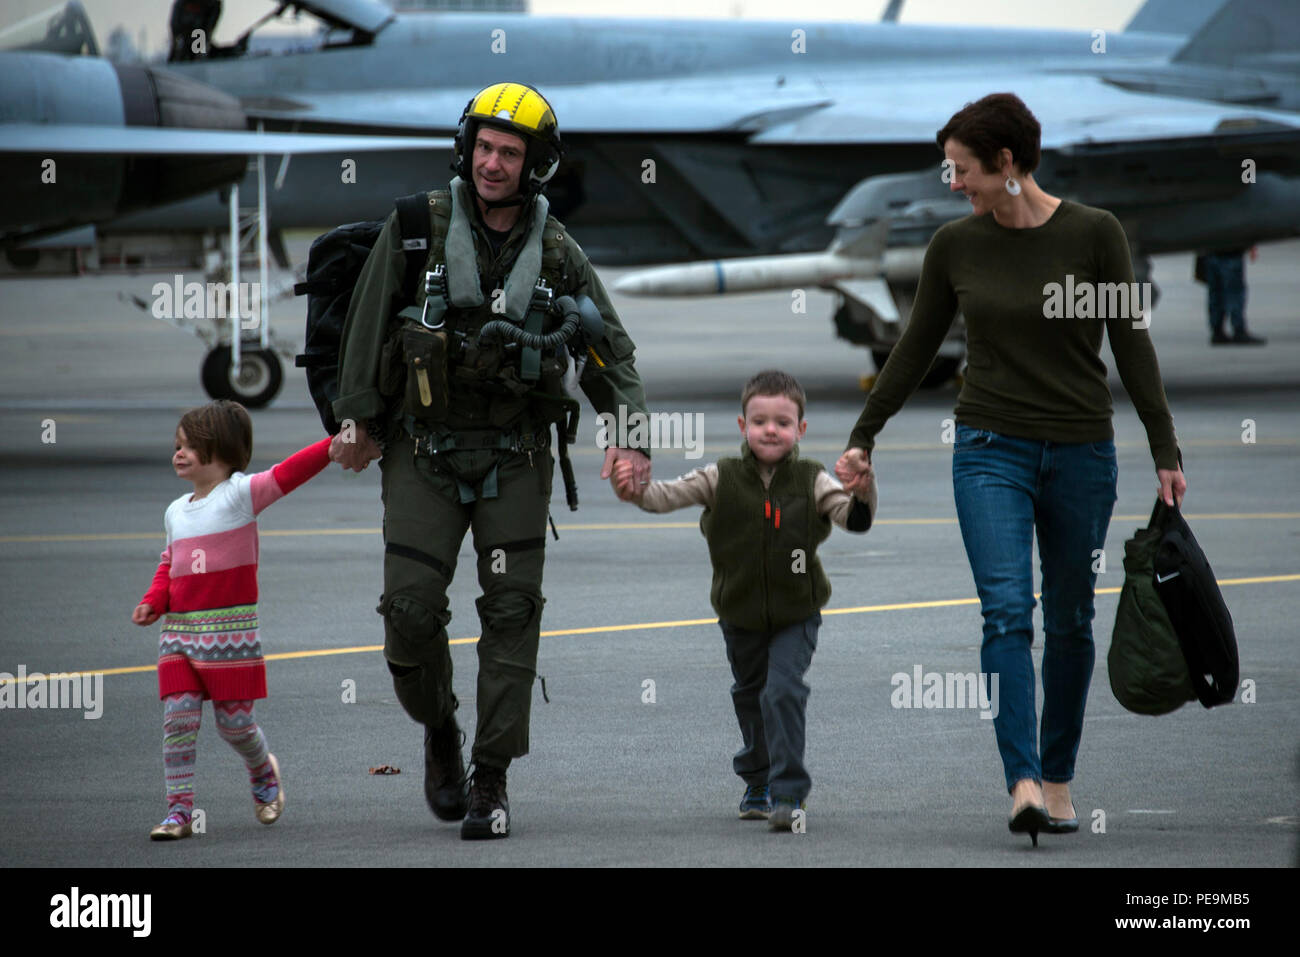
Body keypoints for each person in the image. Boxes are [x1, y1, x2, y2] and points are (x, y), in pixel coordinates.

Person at [835, 93, 1187, 847]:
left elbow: (1131, 343)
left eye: (961, 169)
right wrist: (866, 435)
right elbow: (915, 346)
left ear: (1006, 163)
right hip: (990, 449)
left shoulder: (1096, 234)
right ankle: (1021, 779)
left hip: (1082, 454)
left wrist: (1165, 451)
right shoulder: (954, 245)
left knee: (1069, 619)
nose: (950, 181)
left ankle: (1057, 777)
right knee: (1005, 612)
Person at [329, 82, 651, 840]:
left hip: (514, 457)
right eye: (485, 146)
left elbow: (611, 352)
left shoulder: (559, 252)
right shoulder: (415, 229)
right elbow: (367, 326)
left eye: (510, 152)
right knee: (408, 614)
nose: (493, 162)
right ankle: (441, 727)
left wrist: (629, 434)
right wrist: (354, 419)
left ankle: (491, 777)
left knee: (511, 615)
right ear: (466, 148)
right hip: (424, 453)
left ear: (535, 164)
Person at [614, 370, 876, 831]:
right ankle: (757, 779)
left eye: (782, 421)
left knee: (783, 691)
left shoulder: (813, 479)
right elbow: (664, 497)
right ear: (742, 427)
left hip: (797, 614)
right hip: (739, 616)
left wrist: (864, 487)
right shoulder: (720, 477)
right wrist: (633, 490)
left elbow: (856, 519)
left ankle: (788, 794)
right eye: (759, 421)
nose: (770, 430)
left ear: (801, 430)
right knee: (751, 697)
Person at [133, 400, 331, 840]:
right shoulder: (175, 511)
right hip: (180, 635)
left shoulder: (240, 495)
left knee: (235, 725)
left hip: (229, 637)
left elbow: (288, 473)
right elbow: (170, 562)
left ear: (219, 451)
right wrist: (154, 600)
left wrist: (335, 445)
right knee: (178, 721)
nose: (177, 454)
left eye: (188, 447)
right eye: (176, 446)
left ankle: (263, 772)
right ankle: (178, 813)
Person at [1197, 247, 1266, 345]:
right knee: (1234, 294)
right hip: (1230, 252)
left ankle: (1217, 331)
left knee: (1216, 294)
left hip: (1211, 252)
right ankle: (1238, 330)